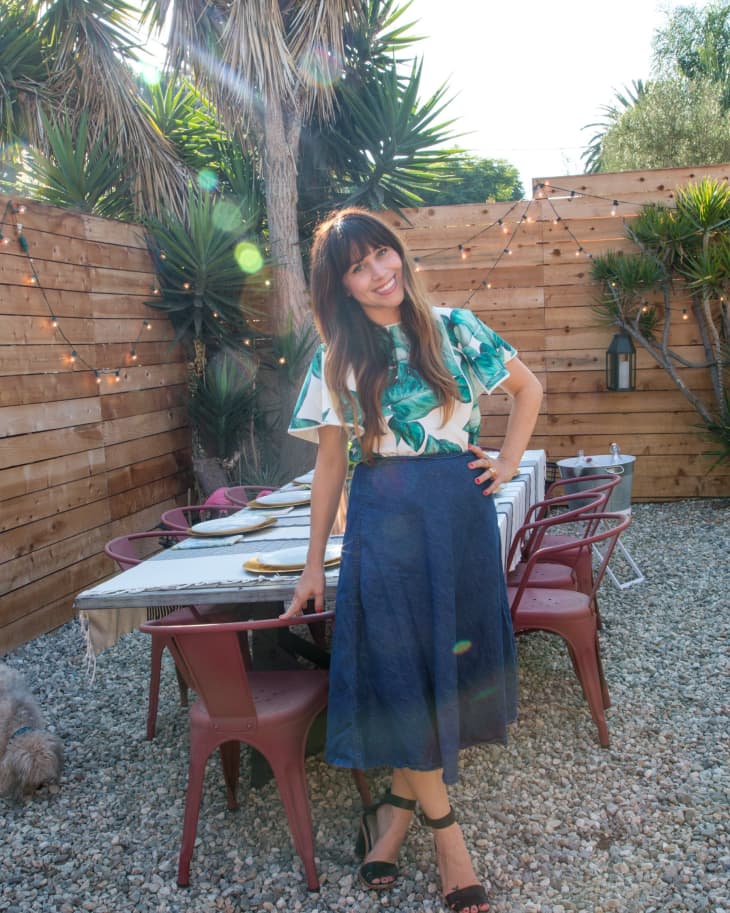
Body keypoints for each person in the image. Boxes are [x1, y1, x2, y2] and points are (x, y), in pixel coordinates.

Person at [282, 207, 543, 913]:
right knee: (400, 668)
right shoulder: (338, 354)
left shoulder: (456, 326)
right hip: (381, 517)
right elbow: (331, 464)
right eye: (359, 268)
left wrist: (508, 463)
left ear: (398, 250)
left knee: (442, 664)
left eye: (382, 254)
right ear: (341, 286)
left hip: (456, 513)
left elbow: (528, 389)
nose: (379, 273)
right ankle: (448, 836)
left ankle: (396, 808)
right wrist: (314, 562)